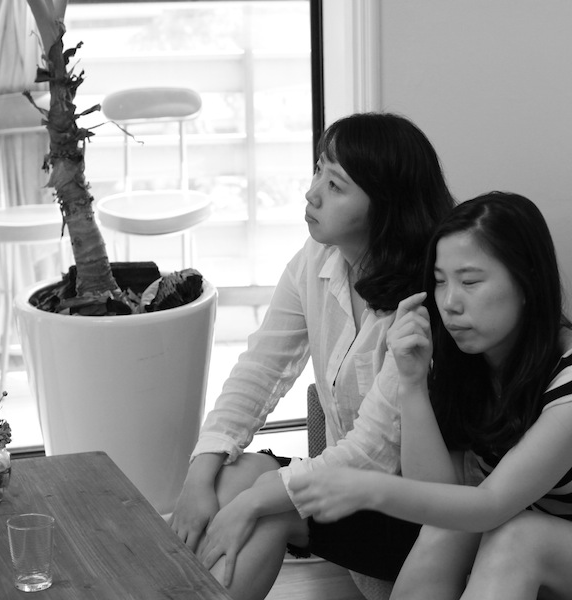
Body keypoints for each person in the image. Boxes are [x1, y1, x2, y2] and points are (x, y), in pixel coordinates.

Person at [288, 192, 572, 600]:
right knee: (450, 527)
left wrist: (366, 487)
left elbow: (491, 504)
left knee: (519, 537)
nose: (450, 303)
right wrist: (411, 383)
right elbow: (440, 496)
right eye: (439, 282)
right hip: (542, 532)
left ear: (526, 282)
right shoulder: (464, 361)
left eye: (470, 281)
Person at [170, 112, 455, 600]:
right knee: (231, 475)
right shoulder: (318, 257)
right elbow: (261, 369)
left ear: (386, 206)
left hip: (413, 515)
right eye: (319, 170)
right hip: (348, 489)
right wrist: (199, 473)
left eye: (336, 185)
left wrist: (256, 502)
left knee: (264, 508)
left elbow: (371, 454)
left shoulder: (419, 306)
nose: (312, 193)